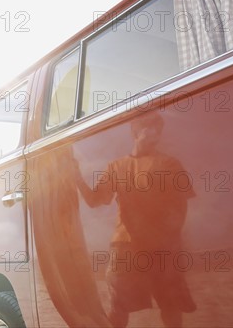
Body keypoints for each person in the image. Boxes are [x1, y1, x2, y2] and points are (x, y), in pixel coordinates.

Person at [84, 112, 196, 328]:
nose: (155, 134)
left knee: (171, 305)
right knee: (118, 307)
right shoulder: (116, 167)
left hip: (162, 246)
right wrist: (76, 177)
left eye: (158, 130)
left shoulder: (170, 164)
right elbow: (95, 200)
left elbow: (180, 207)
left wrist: (167, 241)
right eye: (149, 128)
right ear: (135, 132)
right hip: (125, 245)